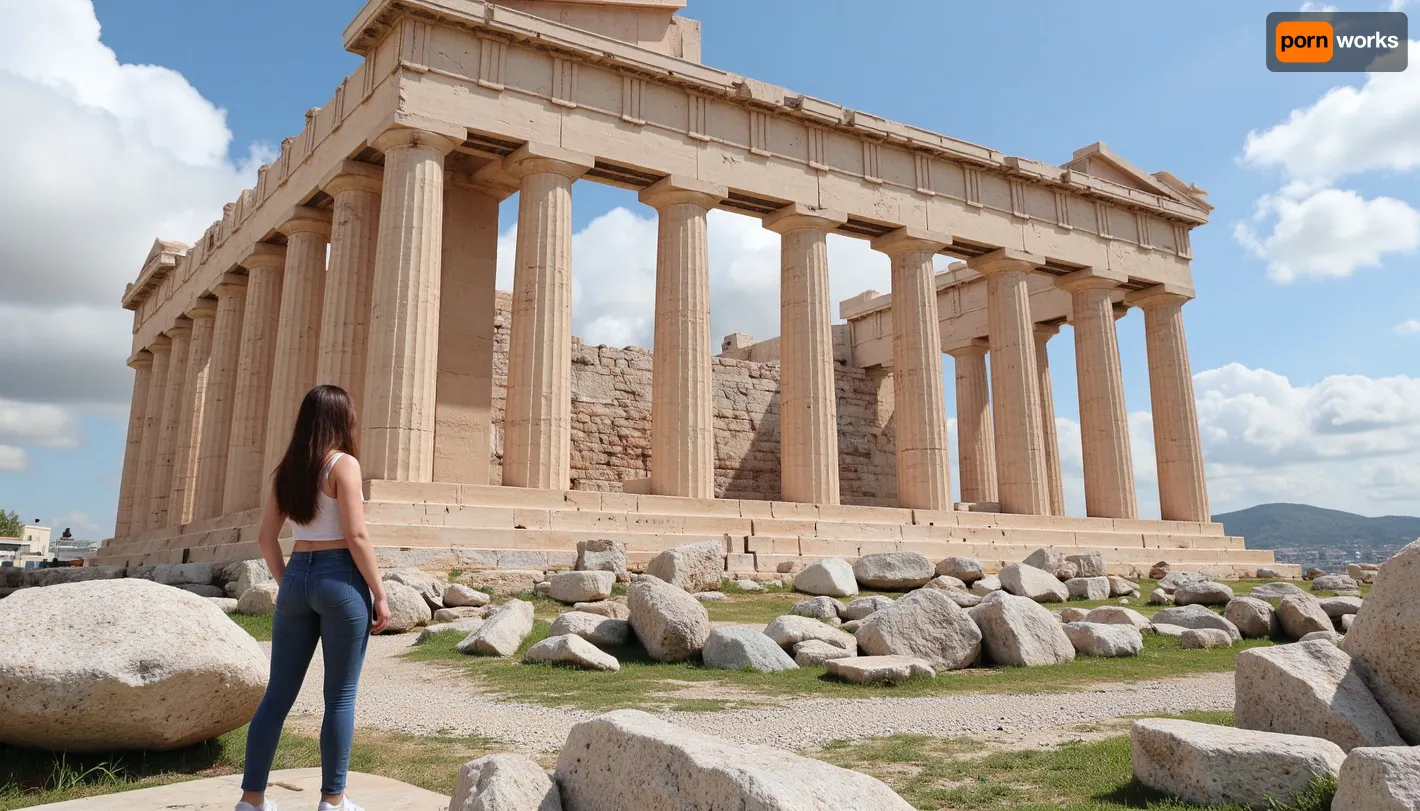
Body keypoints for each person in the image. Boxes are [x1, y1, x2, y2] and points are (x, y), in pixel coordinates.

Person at [236, 385, 391, 811]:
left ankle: (251, 800)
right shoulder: (344, 465)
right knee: (339, 696)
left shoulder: (286, 471)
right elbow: (357, 535)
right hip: (340, 576)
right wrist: (379, 593)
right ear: (341, 418)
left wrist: (289, 582)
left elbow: (266, 538)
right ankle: (333, 800)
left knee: (278, 694)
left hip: (298, 574)